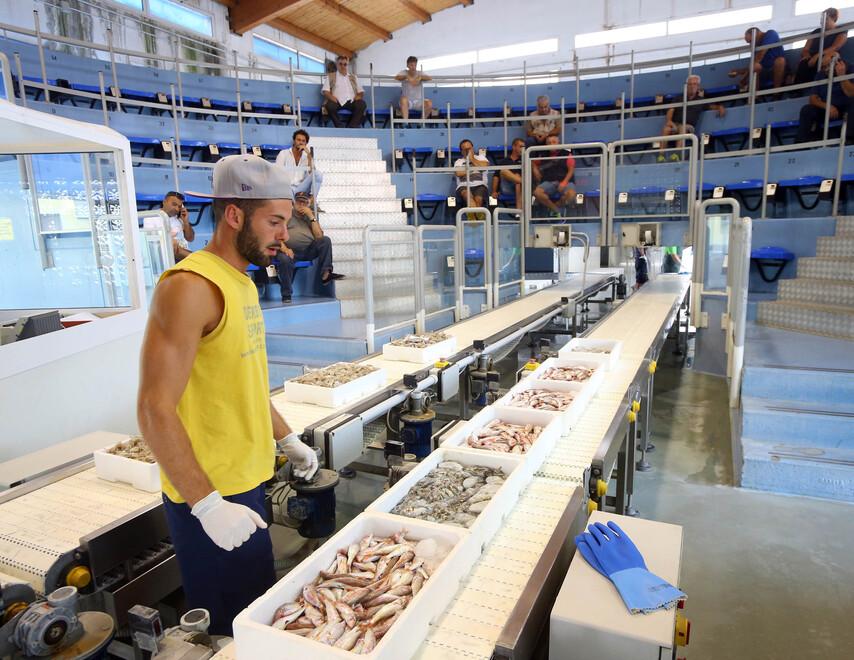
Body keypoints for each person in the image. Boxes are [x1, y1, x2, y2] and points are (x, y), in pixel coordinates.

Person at [137, 154, 319, 636]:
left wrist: (286, 439)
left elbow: (244, 382)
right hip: (211, 495)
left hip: (247, 483)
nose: (284, 234)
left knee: (256, 620)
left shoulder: (241, 282)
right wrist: (207, 505)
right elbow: (153, 409)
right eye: (275, 222)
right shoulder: (191, 287)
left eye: (287, 222)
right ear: (234, 215)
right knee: (227, 633)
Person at [276, 191, 343, 303]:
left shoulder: (311, 217)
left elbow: (319, 237)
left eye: (304, 202)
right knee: (284, 259)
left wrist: (311, 216)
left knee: (325, 240)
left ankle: (326, 274)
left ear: (308, 203)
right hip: (290, 251)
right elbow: (277, 235)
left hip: (308, 251)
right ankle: (286, 295)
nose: (301, 204)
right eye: (299, 201)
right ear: (294, 203)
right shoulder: (287, 215)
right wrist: (285, 249)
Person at [657, 75, 726, 162]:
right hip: (676, 124)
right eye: (690, 84)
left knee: (683, 127)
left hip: (689, 127)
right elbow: (671, 110)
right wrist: (669, 121)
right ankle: (661, 156)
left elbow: (711, 106)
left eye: (694, 84)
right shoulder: (678, 98)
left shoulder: (701, 100)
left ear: (698, 86)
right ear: (686, 86)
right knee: (666, 128)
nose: (692, 86)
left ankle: (676, 154)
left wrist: (720, 107)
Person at [797, 58, 850, 143]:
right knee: (807, 110)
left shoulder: (850, 70)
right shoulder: (821, 74)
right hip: (827, 108)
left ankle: (849, 143)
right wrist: (828, 106)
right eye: (823, 67)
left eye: (827, 66)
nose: (825, 69)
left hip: (845, 108)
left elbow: (850, 93)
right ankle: (799, 144)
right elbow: (812, 99)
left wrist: (842, 76)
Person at [795, 8, 847, 85]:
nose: (822, 22)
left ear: (834, 18)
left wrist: (817, 56)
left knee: (826, 59)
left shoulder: (841, 30)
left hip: (828, 55)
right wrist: (807, 56)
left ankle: (822, 86)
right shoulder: (816, 32)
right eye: (821, 19)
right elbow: (806, 49)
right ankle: (796, 90)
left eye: (826, 19)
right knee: (803, 63)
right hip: (813, 58)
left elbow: (836, 46)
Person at [532, 134, 575, 217]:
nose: (552, 144)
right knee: (537, 192)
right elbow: (532, 162)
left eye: (554, 142)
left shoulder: (567, 154)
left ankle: (557, 206)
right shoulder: (543, 154)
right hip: (549, 181)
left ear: (558, 143)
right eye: (549, 143)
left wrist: (564, 182)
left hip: (565, 180)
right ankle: (556, 210)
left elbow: (571, 170)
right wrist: (535, 170)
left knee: (571, 195)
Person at [275, 129, 323, 202]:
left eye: (303, 141)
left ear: (306, 143)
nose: (300, 142)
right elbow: (276, 173)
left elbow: (312, 175)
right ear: (294, 141)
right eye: (298, 140)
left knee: (318, 174)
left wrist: (309, 156)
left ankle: (312, 201)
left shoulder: (307, 157)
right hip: (286, 188)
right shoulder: (283, 154)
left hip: (300, 188)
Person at [322, 55, 367, 128]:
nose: (343, 66)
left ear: (347, 65)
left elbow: (361, 91)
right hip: (336, 101)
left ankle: (352, 126)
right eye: (340, 64)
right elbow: (325, 91)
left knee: (362, 104)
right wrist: (333, 98)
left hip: (351, 101)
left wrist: (358, 96)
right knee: (329, 106)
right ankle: (339, 126)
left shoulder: (353, 77)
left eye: (345, 64)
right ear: (337, 64)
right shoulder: (331, 76)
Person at [454, 139, 490, 208]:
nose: (468, 151)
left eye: (469, 148)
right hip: (464, 186)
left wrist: (472, 159)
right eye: (465, 149)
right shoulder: (459, 161)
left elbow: (484, 167)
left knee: (478, 200)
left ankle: (473, 217)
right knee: (468, 197)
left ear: (473, 148)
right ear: (462, 151)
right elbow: (458, 173)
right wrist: (473, 168)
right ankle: (476, 218)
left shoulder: (481, 158)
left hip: (480, 185)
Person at [396, 55, 433, 121]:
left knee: (429, 103)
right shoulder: (404, 72)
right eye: (411, 65)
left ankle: (421, 123)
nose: (413, 67)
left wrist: (420, 77)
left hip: (418, 102)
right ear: (407, 65)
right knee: (403, 99)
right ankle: (405, 123)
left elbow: (429, 78)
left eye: (415, 65)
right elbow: (397, 77)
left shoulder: (419, 73)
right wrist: (407, 77)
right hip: (407, 102)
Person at [491, 138, 525, 208]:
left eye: (524, 147)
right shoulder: (504, 161)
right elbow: (496, 176)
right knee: (504, 171)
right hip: (507, 187)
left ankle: (518, 212)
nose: (522, 149)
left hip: (522, 188)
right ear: (514, 147)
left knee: (518, 181)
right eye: (521, 146)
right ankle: (523, 182)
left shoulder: (525, 160)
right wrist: (494, 191)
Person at [161, 191, 194, 261]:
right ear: (164, 202)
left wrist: (186, 222)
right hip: (170, 257)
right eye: (174, 204)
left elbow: (190, 238)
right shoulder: (153, 217)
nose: (176, 209)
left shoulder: (180, 219)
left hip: (184, 256)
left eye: (179, 206)